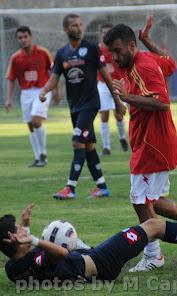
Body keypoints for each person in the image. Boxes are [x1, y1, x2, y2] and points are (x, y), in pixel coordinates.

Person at [103, 17, 177, 273]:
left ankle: (154, 255)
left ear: (130, 47)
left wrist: (125, 97)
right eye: (111, 53)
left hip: (153, 144)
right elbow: (172, 64)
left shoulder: (144, 67)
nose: (115, 58)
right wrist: (148, 41)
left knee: (139, 200)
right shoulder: (139, 59)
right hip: (147, 141)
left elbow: (163, 103)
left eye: (118, 51)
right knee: (153, 200)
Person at [0, 204, 177, 283]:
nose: (22, 231)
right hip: (100, 262)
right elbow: (61, 255)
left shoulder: (12, 269)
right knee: (153, 226)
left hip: (92, 260)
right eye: (18, 231)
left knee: (151, 226)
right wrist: (33, 238)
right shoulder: (35, 256)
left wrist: (27, 231)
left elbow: (26, 261)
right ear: (12, 239)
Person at [39, 14, 126, 200]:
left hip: (90, 104)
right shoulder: (62, 53)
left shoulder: (92, 49)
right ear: (66, 29)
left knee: (77, 141)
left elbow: (107, 77)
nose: (78, 28)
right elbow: (54, 77)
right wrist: (44, 91)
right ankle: (102, 187)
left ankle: (70, 188)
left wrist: (118, 102)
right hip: (75, 106)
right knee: (88, 146)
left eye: (80, 24)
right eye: (74, 25)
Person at [5, 26, 60, 167]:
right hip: (26, 93)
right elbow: (11, 78)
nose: (23, 40)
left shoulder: (43, 52)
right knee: (30, 125)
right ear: (17, 40)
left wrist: (57, 92)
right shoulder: (15, 58)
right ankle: (37, 157)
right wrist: (9, 99)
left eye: (25, 36)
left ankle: (43, 154)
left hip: (42, 90)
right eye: (20, 38)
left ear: (31, 37)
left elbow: (55, 73)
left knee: (36, 121)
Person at [97, 23, 128, 155]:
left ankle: (122, 138)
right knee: (104, 115)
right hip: (103, 85)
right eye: (104, 32)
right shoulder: (97, 50)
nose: (106, 34)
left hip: (117, 84)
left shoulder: (117, 48)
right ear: (100, 34)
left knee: (119, 115)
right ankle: (106, 147)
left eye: (108, 32)